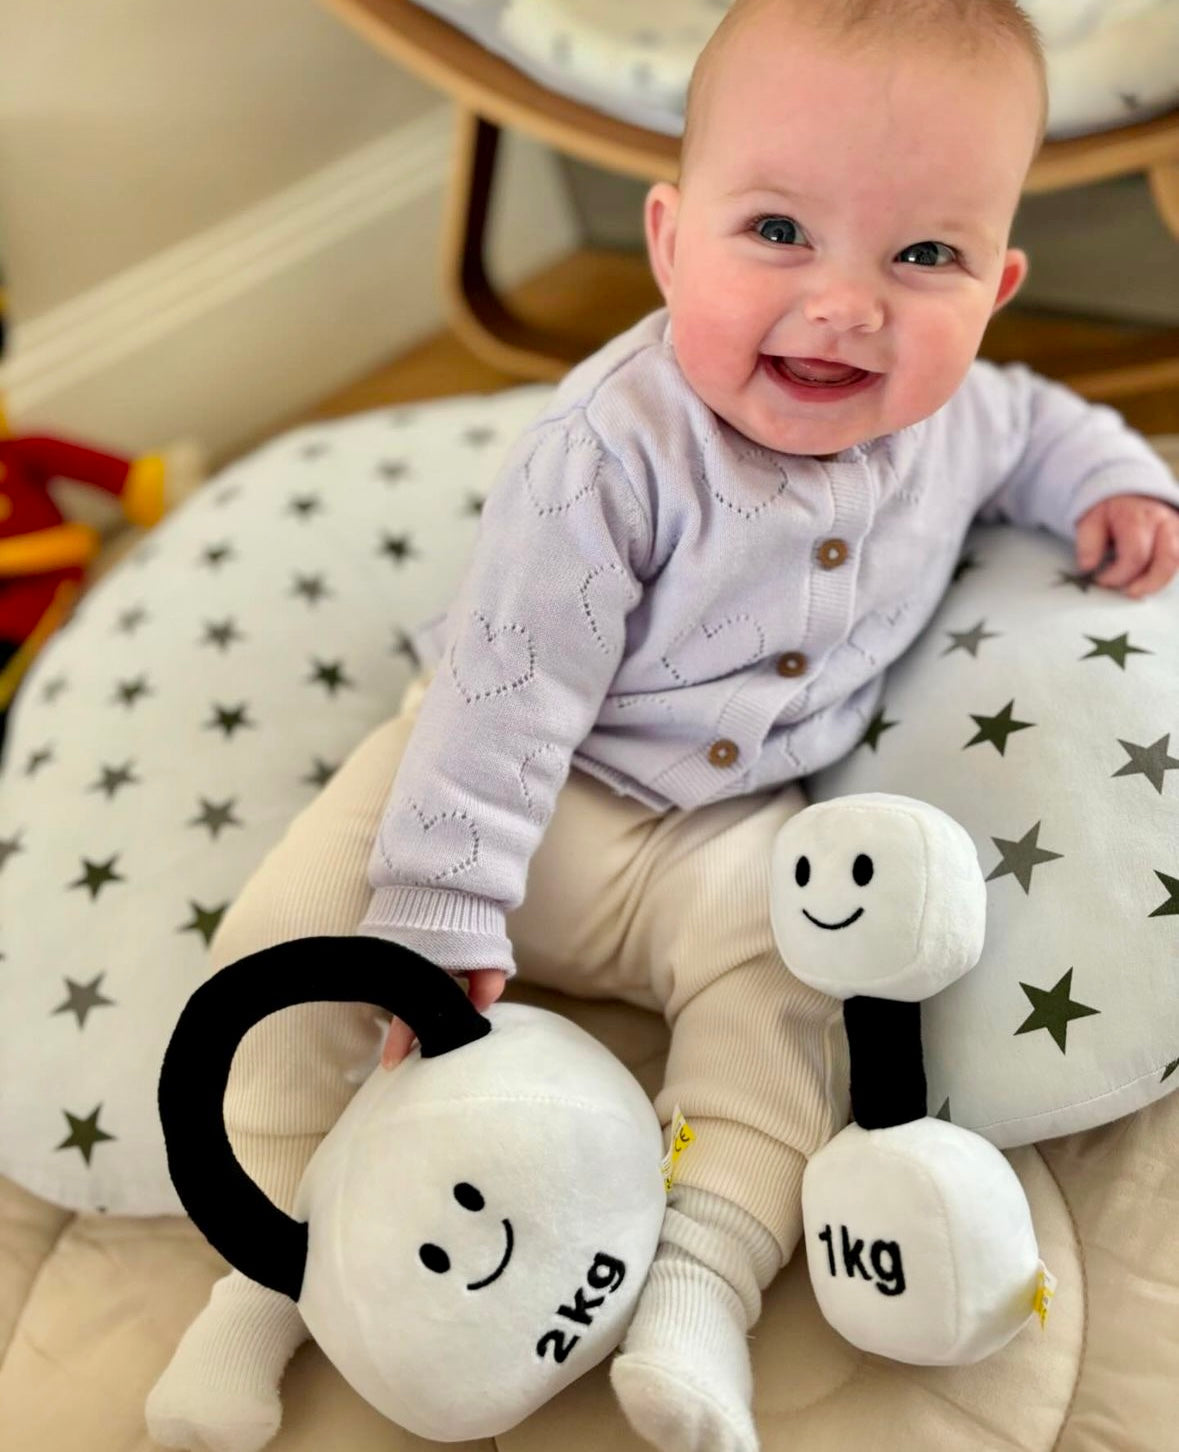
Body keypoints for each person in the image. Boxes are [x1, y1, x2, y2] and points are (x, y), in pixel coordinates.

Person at [147, 3, 1179, 1451]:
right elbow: (504, 698)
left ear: (998, 284)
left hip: (717, 833)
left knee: (787, 998)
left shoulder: (963, 418)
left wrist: (1122, 489)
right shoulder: (606, 453)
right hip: (513, 778)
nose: (846, 304)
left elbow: (1040, 420)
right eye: (777, 231)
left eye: (923, 256)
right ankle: (257, 1292)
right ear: (668, 239)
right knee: (289, 955)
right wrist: (438, 911)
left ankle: (701, 1282)